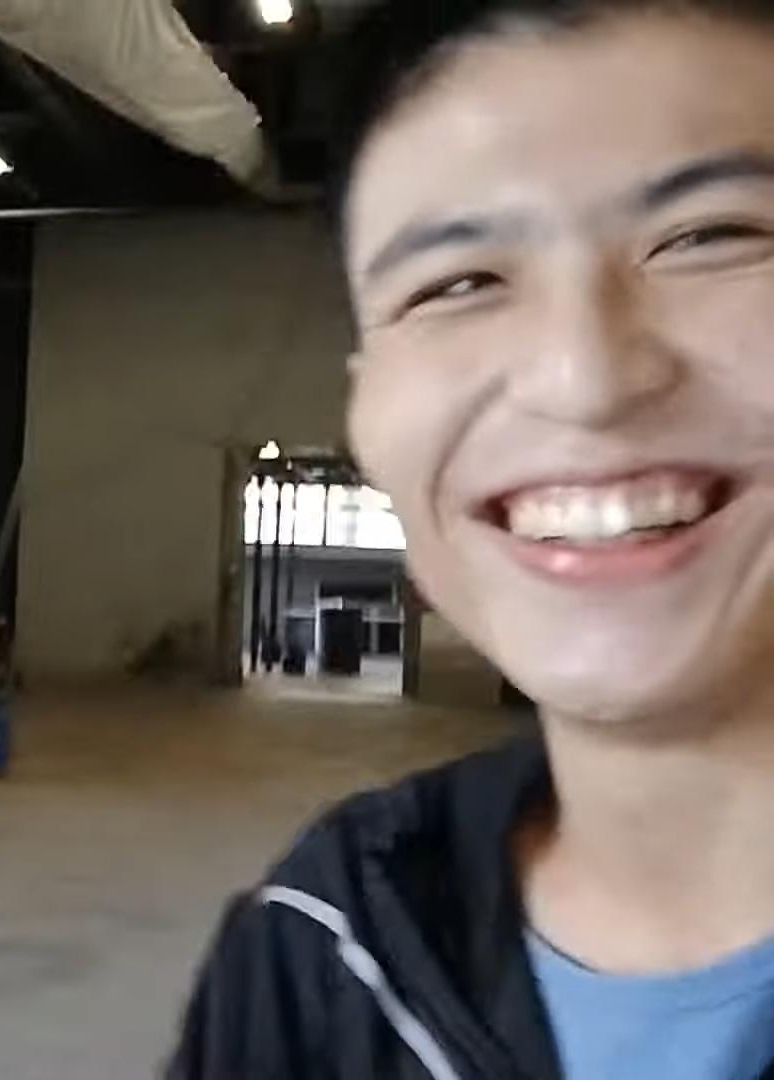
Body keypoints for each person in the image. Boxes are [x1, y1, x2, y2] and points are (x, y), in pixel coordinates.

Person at [169, 1, 774, 1077]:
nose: (584, 379)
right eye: (457, 284)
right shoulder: (324, 948)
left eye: (708, 236)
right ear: (367, 412)